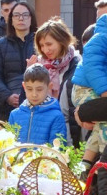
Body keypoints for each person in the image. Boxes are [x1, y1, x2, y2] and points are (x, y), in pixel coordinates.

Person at [71, 0, 107, 170]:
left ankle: (86, 163)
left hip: (98, 90)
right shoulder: (102, 37)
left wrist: (83, 112)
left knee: (104, 122)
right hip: (86, 87)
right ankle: (106, 160)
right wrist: (105, 92)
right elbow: (93, 66)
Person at [31, 17, 81, 146]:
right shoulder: (39, 65)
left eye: (49, 44)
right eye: (41, 45)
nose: (45, 50)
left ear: (61, 41)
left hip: (71, 128)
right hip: (44, 127)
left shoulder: (78, 64)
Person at [0, 1, 37, 122]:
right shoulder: (1, 45)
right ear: (11, 19)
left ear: (31, 18)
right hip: (6, 106)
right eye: (16, 15)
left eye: (25, 15)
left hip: (36, 103)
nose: (21, 18)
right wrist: (8, 96)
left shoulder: (39, 43)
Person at [8, 64, 67, 144]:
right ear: (24, 87)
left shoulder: (56, 116)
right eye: (29, 89)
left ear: (49, 86)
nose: (34, 94)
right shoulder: (14, 115)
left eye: (39, 89)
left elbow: (57, 150)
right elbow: (9, 145)